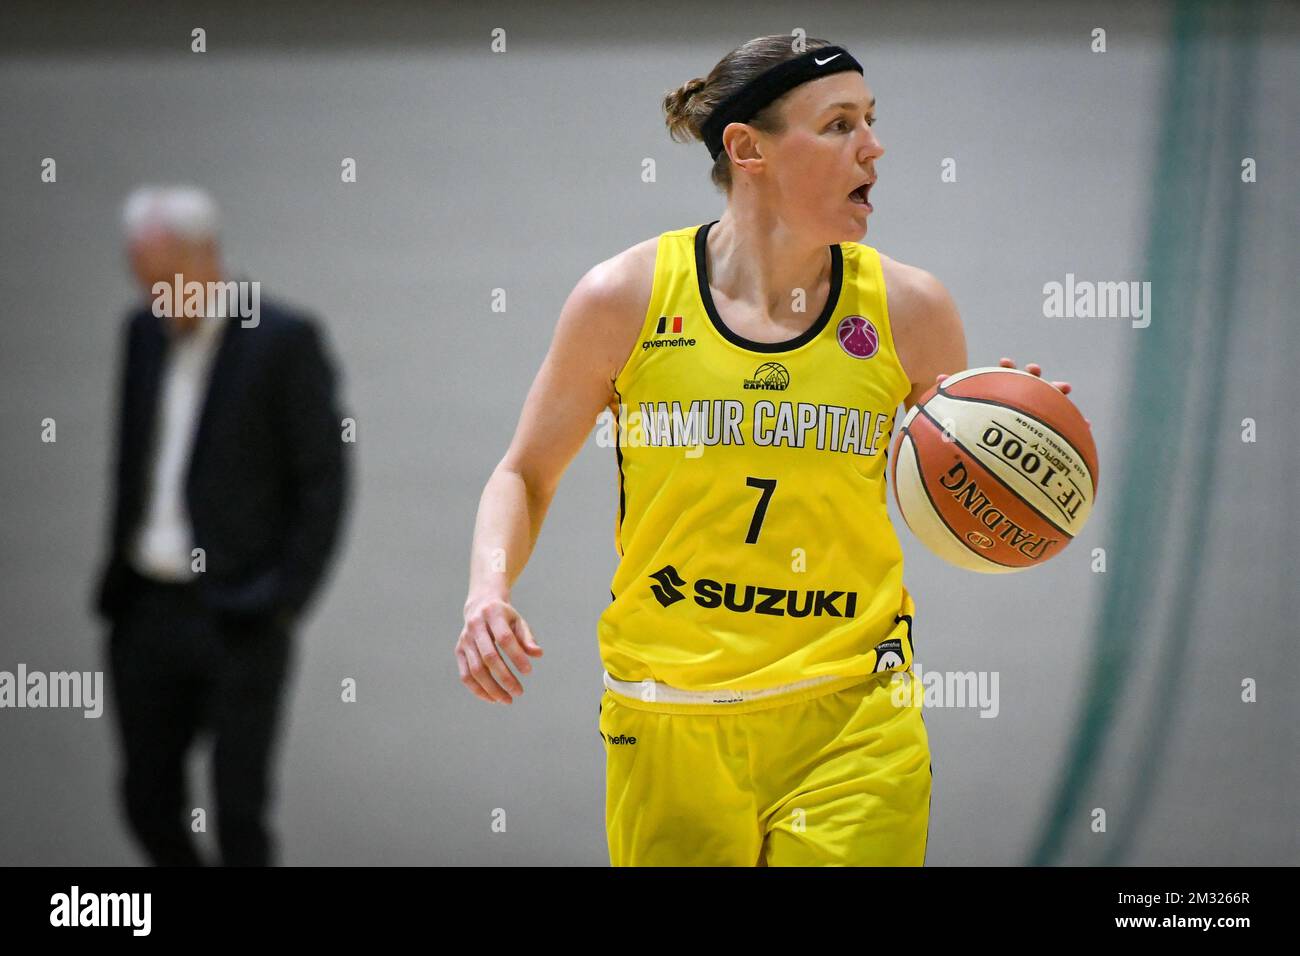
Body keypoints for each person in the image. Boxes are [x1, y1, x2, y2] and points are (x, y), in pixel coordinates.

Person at [456, 36, 1075, 866]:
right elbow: (523, 473)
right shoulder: (625, 299)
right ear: (748, 149)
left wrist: (1016, 429)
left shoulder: (910, 309)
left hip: (854, 713)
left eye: (873, 121)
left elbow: (959, 472)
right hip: (668, 712)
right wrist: (486, 591)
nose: (874, 146)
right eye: (839, 124)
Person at [93, 185, 349, 866]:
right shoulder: (141, 334)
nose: (155, 299)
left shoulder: (282, 341)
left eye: (165, 282)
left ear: (205, 260)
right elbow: (134, 459)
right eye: (143, 283)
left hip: (239, 613)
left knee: (239, 810)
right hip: (147, 603)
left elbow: (324, 480)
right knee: (146, 799)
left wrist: (284, 599)